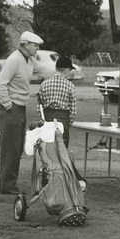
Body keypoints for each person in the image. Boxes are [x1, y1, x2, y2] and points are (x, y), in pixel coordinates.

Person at [0, 31, 53, 194]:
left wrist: (62, 72)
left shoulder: (29, 60)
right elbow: (1, 85)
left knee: (16, 147)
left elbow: (46, 71)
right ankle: (8, 185)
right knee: (11, 147)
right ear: (26, 45)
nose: (37, 48)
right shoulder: (14, 60)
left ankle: (2, 181)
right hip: (10, 109)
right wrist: (8, 105)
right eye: (35, 45)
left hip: (19, 108)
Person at [39, 55, 85, 186]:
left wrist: (43, 121)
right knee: (62, 151)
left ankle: (46, 180)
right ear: (66, 70)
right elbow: (73, 110)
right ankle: (62, 181)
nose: (71, 73)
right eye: (70, 70)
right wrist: (67, 124)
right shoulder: (70, 86)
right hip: (63, 119)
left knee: (47, 151)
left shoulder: (44, 83)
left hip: (47, 119)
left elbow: (39, 106)